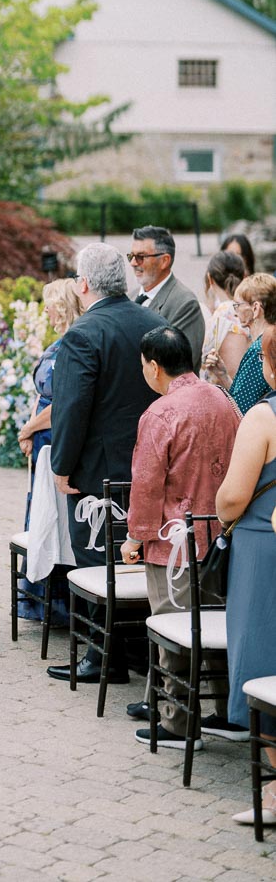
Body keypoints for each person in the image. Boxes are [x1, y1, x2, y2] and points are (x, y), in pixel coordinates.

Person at [121, 325, 241, 750]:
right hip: (223, 535)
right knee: (219, 628)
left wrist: (135, 537)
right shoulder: (223, 400)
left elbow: (147, 484)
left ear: (154, 367)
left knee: (173, 629)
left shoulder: (161, 413)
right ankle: (228, 712)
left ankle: (176, 723)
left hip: (175, 542)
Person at [47, 243, 161, 685]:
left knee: (96, 559)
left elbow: (71, 408)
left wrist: (62, 465)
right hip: (151, 463)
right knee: (139, 558)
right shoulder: (155, 323)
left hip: (99, 471)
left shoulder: (82, 333)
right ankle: (134, 649)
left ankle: (101, 657)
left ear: (84, 284)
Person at [215, 321, 276, 826]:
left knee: (262, 653)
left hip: (264, 550)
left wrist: (220, 508)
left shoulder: (263, 415)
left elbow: (234, 496)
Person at [16, 276, 83, 624]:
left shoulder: (73, 344)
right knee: (39, 511)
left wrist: (28, 428)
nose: (45, 311)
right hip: (41, 435)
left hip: (55, 436)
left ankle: (56, 605)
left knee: (53, 517)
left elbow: (61, 402)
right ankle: (38, 600)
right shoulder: (58, 343)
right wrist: (29, 428)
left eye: (50, 304)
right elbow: (42, 396)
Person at [129, 224, 205, 371]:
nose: (133, 263)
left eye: (141, 257)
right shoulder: (129, 297)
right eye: (131, 256)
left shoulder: (185, 304)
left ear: (165, 260)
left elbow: (179, 368)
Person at [212, 273, 276, 414]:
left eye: (237, 305)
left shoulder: (258, 349)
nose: (235, 312)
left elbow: (240, 409)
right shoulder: (269, 341)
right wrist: (223, 375)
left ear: (255, 308)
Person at [200, 251, 249, 387]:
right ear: (244, 276)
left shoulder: (226, 312)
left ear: (210, 279)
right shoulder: (246, 309)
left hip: (229, 394)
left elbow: (234, 368)